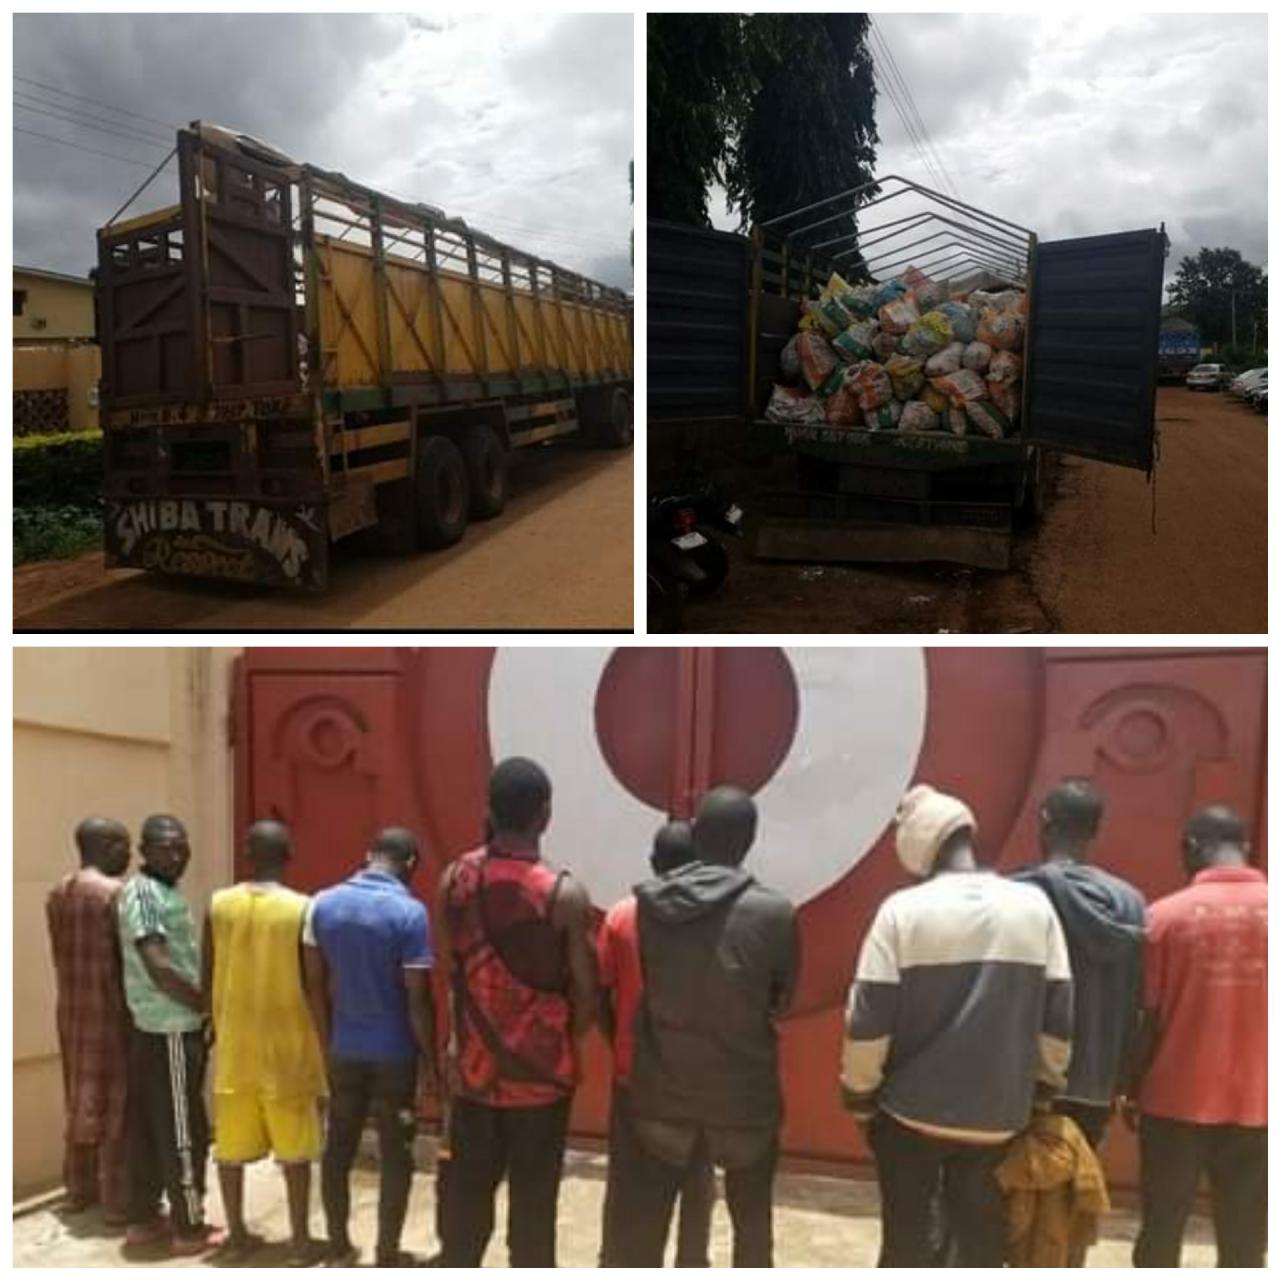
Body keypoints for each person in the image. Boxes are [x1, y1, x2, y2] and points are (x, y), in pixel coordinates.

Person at [842, 783, 1073, 1268]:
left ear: (916, 842)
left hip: (908, 1114)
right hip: (1000, 1115)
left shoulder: (901, 912)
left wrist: (859, 1095)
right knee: (983, 1240)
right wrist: (1043, 1090)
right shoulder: (1034, 907)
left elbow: (868, 1020)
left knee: (905, 1241)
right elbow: (1059, 1017)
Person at [616, 785, 798, 1268]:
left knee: (645, 1232)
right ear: (751, 839)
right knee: (752, 1231)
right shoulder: (775, 913)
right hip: (744, 1099)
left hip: (662, 1095)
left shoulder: (653, 905)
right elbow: (781, 1001)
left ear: (696, 835)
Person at [435, 757, 597, 1268]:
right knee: (533, 1216)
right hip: (541, 1084)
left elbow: (450, 969)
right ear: (544, 816)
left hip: (475, 1079)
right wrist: (561, 1040)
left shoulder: (454, 878)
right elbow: (588, 995)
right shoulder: (563, 895)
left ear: (490, 810)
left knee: (465, 1212)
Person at [1128, 806, 1267, 1268]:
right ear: (1245, 850)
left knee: (1161, 1230)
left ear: (1190, 848)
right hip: (1262, 1106)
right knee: (1247, 1239)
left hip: (1174, 1103)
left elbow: (1145, 1018)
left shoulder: (1165, 918)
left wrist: (1130, 1087)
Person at [303, 827, 438, 1267]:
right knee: (396, 1153)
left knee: (338, 1147)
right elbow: (417, 997)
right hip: (394, 1054)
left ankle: (339, 1245)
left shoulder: (321, 904)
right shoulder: (410, 913)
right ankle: (386, 1252)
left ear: (367, 856)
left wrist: (327, 1045)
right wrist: (432, 1063)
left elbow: (315, 983)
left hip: (345, 1047)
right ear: (411, 864)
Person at [204, 819, 327, 1263]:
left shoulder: (218, 904)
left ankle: (236, 1235)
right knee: (296, 1157)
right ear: (289, 854)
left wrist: (213, 1021)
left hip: (235, 1048)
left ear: (247, 854)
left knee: (230, 1153)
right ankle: (298, 1242)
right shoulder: (303, 908)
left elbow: (207, 970)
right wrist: (325, 1041)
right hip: (288, 1048)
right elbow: (313, 982)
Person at [598, 819, 715, 1267]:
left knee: (630, 1189)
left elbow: (599, 994)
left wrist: (619, 1043)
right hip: (699, 1079)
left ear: (653, 864)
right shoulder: (717, 920)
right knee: (697, 1183)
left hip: (636, 1079)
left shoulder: (623, 916)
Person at [1012, 779, 1145, 1152]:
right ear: (1096, 830)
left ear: (1045, 821)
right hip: (1096, 1083)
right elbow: (1138, 1000)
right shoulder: (1131, 904)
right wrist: (1125, 1078)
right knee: (1073, 1198)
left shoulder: (1017, 894)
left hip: (1022, 1080)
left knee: (1008, 1199)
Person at [117, 814, 224, 1255]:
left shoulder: (162, 891)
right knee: (185, 1131)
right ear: (144, 850)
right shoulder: (143, 893)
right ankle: (190, 1227)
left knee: (148, 1127)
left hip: (162, 1028)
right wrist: (206, 1004)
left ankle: (143, 1218)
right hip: (170, 1029)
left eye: (182, 847)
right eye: (166, 847)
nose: (177, 855)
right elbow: (160, 968)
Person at [46, 817, 133, 1223]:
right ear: (107, 845)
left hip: (71, 1009)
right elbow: (127, 961)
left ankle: (80, 1189)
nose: (130, 855)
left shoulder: (58, 891)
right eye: (125, 846)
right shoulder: (116, 894)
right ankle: (117, 1200)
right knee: (117, 1105)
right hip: (111, 1010)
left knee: (78, 1096)